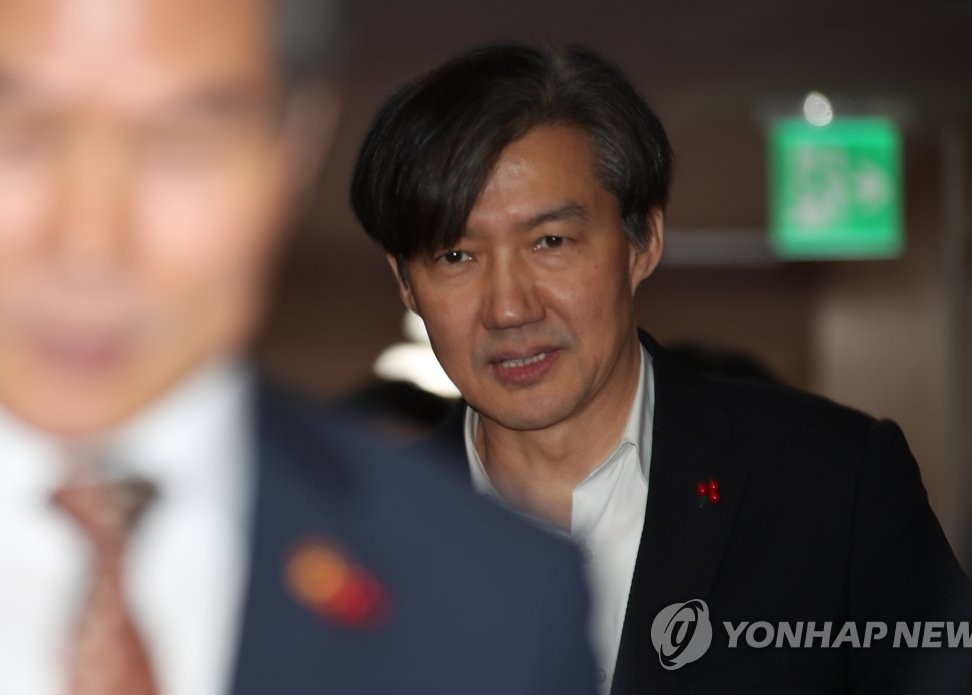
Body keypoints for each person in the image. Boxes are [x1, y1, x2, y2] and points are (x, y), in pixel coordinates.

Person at [0, 5, 596, 695]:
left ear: (297, 142)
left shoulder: (492, 603)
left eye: (181, 146)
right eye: (18, 133)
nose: (89, 245)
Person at [350, 44, 972, 694]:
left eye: (551, 242)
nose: (509, 308)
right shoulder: (353, 537)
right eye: (455, 255)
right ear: (405, 281)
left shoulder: (832, 484)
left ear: (643, 241)